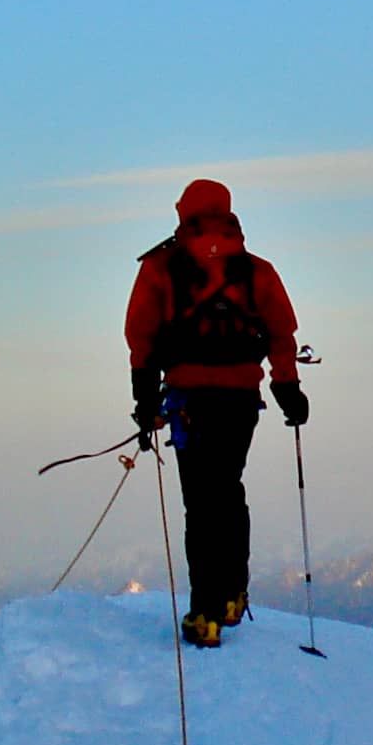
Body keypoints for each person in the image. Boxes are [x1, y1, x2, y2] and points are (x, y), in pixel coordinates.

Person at [126, 178, 307, 648]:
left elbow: (141, 338)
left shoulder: (161, 267)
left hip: (189, 399)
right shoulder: (255, 270)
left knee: (201, 503)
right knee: (228, 490)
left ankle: (204, 613)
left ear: (183, 213)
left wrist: (144, 400)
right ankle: (231, 594)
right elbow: (282, 334)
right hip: (242, 400)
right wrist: (288, 390)